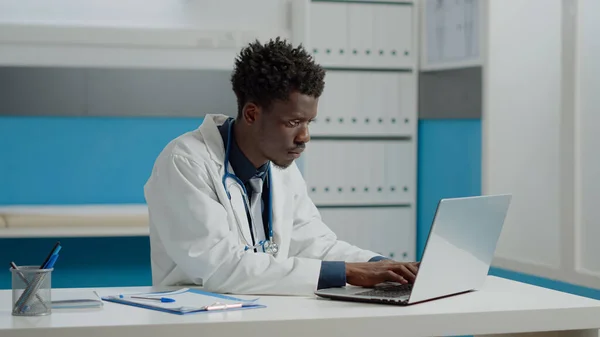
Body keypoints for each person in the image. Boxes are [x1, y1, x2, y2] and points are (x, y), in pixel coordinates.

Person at [144, 37, 420, 295]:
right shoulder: (186, 161)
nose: (304, 137)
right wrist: (348, 272)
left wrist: (386, 267)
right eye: (292, 123)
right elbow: (221, 268)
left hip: (264, 311)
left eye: (308, 122)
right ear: (252, 113)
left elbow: (314, 244)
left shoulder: (279, 166)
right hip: (198, 316)